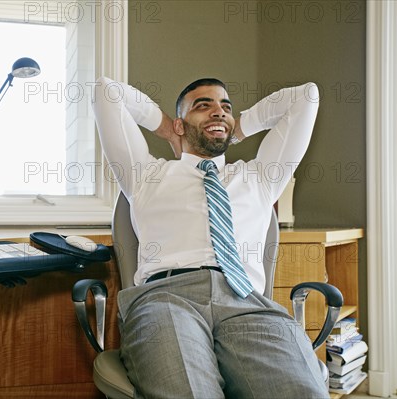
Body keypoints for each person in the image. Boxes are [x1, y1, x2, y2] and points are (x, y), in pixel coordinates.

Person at [92, 76, 327, 398]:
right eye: (203, 106)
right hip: (166, 297)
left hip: (246, 301)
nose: (218, 112)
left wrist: (236, 128)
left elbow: (306, 96)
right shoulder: (145, 174)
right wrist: (168, 129)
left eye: (225, 107)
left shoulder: (260, 177)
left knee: (299, 392)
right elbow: (107, 92)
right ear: (180, 123)